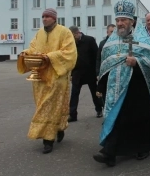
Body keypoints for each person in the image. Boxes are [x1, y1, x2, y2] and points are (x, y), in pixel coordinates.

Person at [93, 1, 150, 167]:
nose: (120, 23)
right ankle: (109, 152)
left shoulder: (143, 40)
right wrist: (101, 84)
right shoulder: (111, 41)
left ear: (132, 21)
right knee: (116, 118)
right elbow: (106, 62)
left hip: (138, 88)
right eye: (118, 20)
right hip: (116, 89)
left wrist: (137, 62)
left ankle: (144, 147)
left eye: (124, 20)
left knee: (140, 119)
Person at [17, 8, 77, 154]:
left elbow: (70, 52)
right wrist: (25, 53)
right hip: (40, 77)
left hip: (57, 77)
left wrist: (49, 56)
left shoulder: (64, 32)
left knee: (48, 106)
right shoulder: (39, 33)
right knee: (43, 106)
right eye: (43, 16)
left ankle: (47, 140)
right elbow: (33, 48)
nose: (44, 19)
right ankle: (58, 128)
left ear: (54, 18)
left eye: (48, 16)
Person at [68, 26, 101, 121]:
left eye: (72, 36)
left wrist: (97, 71)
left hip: (90, 71)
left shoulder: (89, 40)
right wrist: (71, 73)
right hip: (77, 72)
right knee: (74, 93)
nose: (71, 39)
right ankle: (73, 115)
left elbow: (97, 55)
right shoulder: (71, 43)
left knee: (94, 92)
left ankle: (99, 109)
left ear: (77, 33)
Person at [95, 24, 116, 104]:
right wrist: (97, 73)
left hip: (114, 73)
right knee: (104, 93)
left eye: (115, 32)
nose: (113, 33)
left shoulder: (119, 42)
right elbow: (98, 59)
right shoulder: (102, 43)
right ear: (107, 32)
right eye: (111, 32)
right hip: (104, 73)